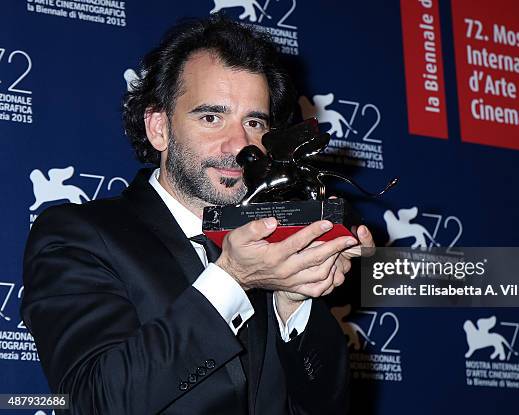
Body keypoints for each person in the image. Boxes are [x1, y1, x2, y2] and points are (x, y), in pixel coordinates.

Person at [21, 16, 374, 414]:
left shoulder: (270, 250)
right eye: (211, 117)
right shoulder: (78, 236)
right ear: (159, 128)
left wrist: (294, 299)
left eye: (254, 122)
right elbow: (93, 401)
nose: (240, 145)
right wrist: (232, 281)